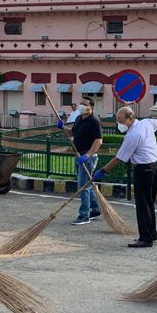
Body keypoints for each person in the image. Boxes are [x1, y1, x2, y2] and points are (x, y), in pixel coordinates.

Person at [92, 107, 157, 247]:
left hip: (143, 170)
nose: (119, 124)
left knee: (142, 206)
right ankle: (151, 234)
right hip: (154, 168)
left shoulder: (132, 135)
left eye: (121, 121)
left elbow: (119, 159)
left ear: (130, 118)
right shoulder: (147, 123)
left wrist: (102, 171)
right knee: (149, 203)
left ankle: (145, 239)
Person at [59, 96, 103, 226]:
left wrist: (88, 155)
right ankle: (95, 209)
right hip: (78, 156)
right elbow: (72, 133)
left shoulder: (94, 121)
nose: (82, 106)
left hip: (87, 157)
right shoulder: (79, 118)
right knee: (86, 185)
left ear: (91, 107)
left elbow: (98, 140)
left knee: (83, 186)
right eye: (81, 103)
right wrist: (63, 128)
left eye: (85, 104)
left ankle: (84, 215)